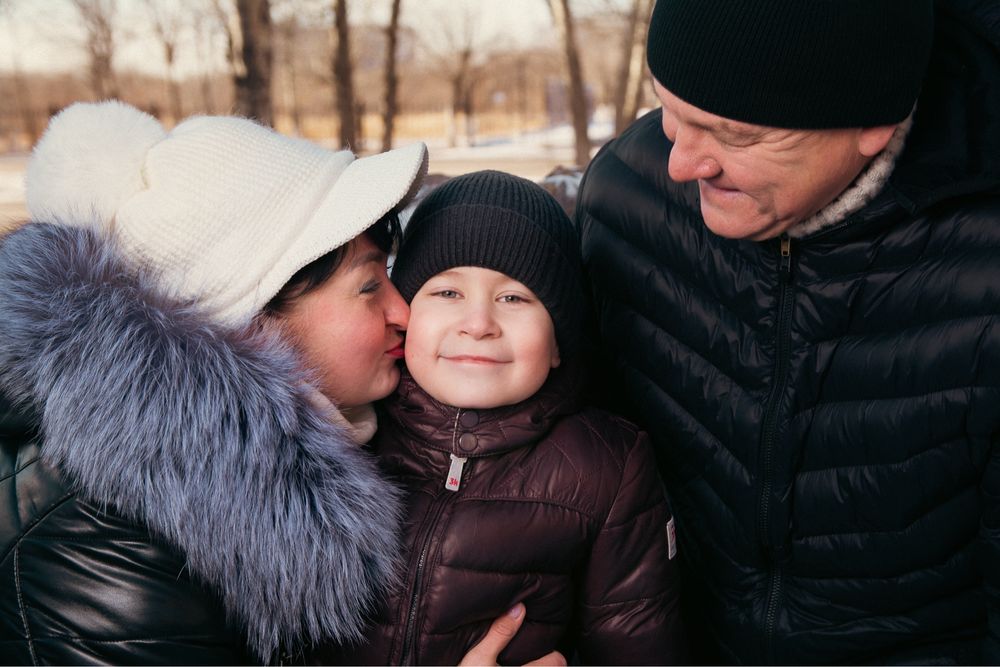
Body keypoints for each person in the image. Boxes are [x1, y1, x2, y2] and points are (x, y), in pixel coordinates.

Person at [0, 102, 557, 666]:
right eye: (368, 287)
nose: (403, 313)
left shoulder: (219, 482)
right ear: (254, 318)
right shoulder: (115, 548)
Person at [576, 0, 1000, 664]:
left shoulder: (984, 266)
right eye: (670, 111)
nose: (683, 164)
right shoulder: (626, 197)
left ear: (872, 123)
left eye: (733, 134)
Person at [316, 170, 686, 665]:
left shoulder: (607, 468)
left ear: (558, 343)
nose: (478, 324)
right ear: (406, 316)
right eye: (447, 293)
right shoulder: (343, 433)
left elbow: (639, 647)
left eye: (513, 298)